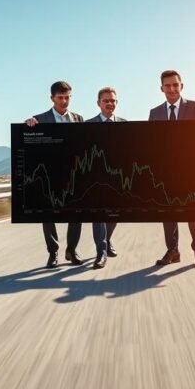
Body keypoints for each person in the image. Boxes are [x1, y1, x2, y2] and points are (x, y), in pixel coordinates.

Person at [148, 70, 195, 268]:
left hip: (190, 171)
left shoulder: (194, 107)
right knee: (168, 213)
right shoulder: (155, 113)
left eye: (175, 85)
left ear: (181, 86)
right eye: (167, 86)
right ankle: (173, 251)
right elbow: (150, 141)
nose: (172, 89)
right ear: (161, 89)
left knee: (194, 212)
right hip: (166, 173)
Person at [25, 81, 85, 267]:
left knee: (76, 212)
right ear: (52, 98)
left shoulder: (78, 118)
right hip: (49, 175)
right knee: (48, 214)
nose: (64, 101)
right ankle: (53, 252)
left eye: (67, 97)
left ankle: (71, 250)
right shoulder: (39, 119)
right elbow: (28, 141)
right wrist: (28, 126)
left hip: (72, 173)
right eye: (60, 98)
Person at [84, 87, 125, 268]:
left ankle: (107, 240)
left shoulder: (124, 124)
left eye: (113, 101)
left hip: (117, 178)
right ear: (98, 103)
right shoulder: (88, 125)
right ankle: (101, 253)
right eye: (106, 100)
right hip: (96, 178)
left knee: (115, 214)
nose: (110, 103)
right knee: (99, 214)